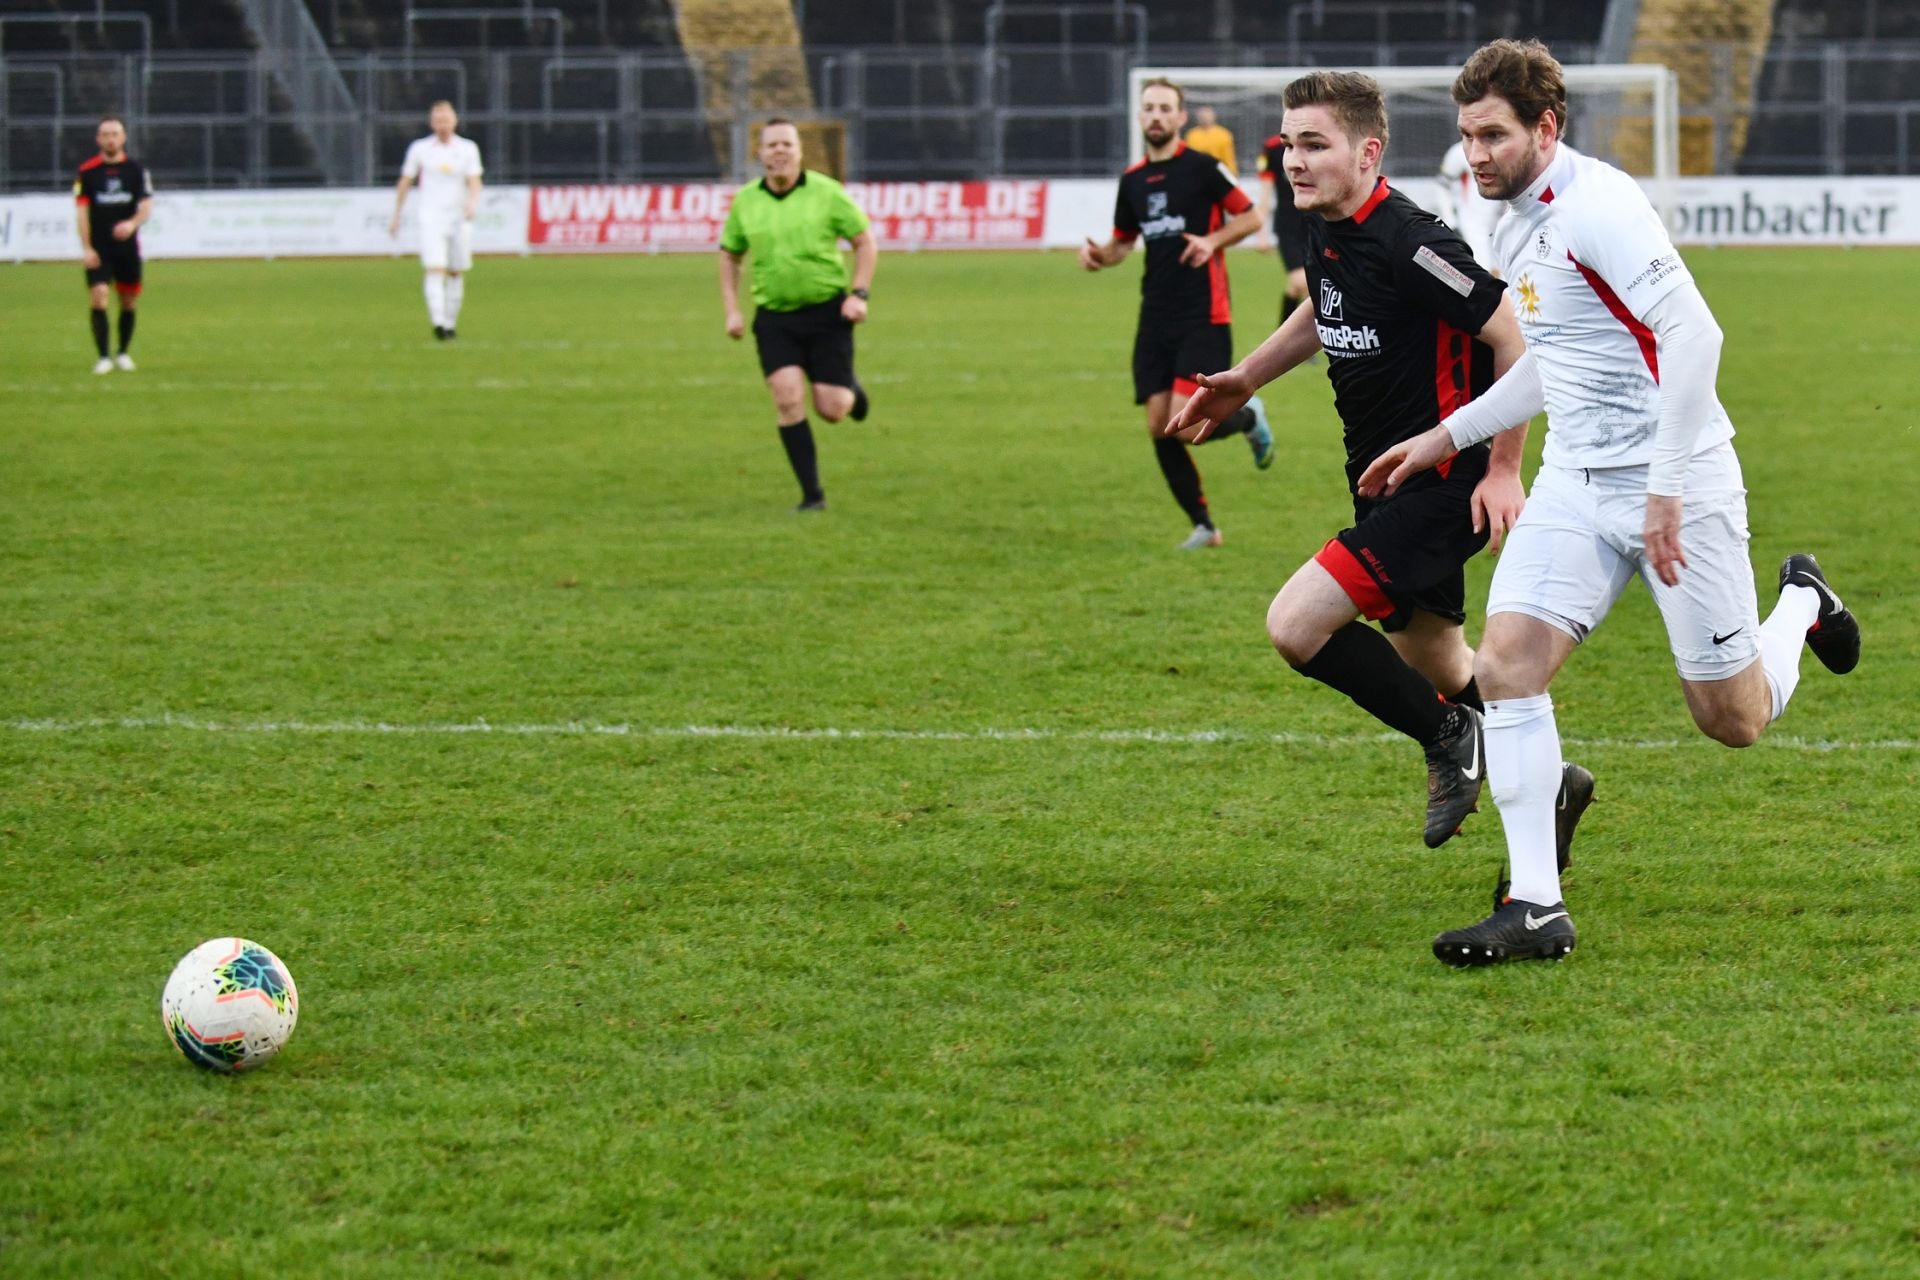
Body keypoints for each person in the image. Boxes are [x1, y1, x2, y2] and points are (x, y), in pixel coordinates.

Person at [1359, 39, 1862, 967]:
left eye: (1494, 136)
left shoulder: (1600, 206)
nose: (1475, 154)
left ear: (1547, 127)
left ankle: (1801, 603)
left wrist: (1665, 488)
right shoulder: (1506, 217)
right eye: (1468, 135)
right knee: (1506, 668)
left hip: (1681, 482)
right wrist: (1447, 437)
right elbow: (1555, 360)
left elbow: (1696, 336)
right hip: (1575, 482)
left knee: (1733, 719)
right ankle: (1536, 908)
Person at [1168, 70, 1592, 857]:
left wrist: (1503, 468)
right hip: (1382, 481)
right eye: (1290, 145)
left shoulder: (1414, 242)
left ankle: (1451, 739)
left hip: (1444, 486)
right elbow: (1325, 304)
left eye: (1315, 145)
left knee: (1296, 625)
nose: (1295, 161)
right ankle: (1551, 780)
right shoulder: (1327, 225)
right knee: (1441, 661)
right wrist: (1246, 378)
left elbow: (1514, 337)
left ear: (1368, 153)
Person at [1081, 78, 1273, 550]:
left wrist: (1211, 241)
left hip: (1203, 312)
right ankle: (1204, 527)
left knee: (1184, 426)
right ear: (1140, 116)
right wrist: (1100, 256)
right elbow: (1123, 242)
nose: (1157, 116)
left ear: (1181, 117)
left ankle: (1248, 418)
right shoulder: (1133, 180)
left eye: (1166, 108)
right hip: (1155, 315)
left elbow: (1251, 216)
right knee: (1157, 426)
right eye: (1149, 108)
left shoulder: (1204, 168)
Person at [718, 118, 877, 512]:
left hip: (827, 314)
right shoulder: (746, 201)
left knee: (832, 409)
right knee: (787, 399)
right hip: (775, 318)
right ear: (759, 154)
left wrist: (859, 294)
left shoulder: (827, 193)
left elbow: (864, 241)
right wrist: (732, 310)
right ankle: (812, 496)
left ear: (800, 151)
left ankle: (852, 392)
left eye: (787, 144)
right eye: (772, 145)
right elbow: (730, 255)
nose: (780, 151)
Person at [391, 101, 484, 340]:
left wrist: (472, 202)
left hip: (459, 218)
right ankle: (438, 322)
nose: (442, 124)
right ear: (432, 123)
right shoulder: (420, 149)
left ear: (455, 121)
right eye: (438, 120)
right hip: (431, 217)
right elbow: (406, 180)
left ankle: (450, 323)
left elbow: (474, 180)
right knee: (435, 268)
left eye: (446, 119)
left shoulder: (468, 148)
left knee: (455, 272)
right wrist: (396, 214)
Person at [74, 114, 153, 374]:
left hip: (127, 249)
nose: (111, 139)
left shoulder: (137, 171)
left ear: (124, 137)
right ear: (98, 139)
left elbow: (146, 207)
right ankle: (103, 357)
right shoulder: (87, 172)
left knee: (128, 301)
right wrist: (87, 248)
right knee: (99, 297)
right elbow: (81, 212)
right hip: (100, 248)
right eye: (106, 134)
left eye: (115, 134)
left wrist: (131, 224)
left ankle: (123, 353)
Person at [1255, 131, 1310, 327]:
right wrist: (1261, 234)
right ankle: (1304, 337)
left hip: (1316, 224)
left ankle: (1284, 335)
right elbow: (1265, 194)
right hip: (1288, 227)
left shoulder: (1317, 141)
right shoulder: (1272, 149)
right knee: (1302, 282)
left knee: (1296, 288)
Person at [1433, 140, 1503, 272]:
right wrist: (1451, 222)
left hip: (1500, 222)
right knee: (1480, 269)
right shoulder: (1459, 152)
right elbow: (1442, 187)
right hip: (1470, 222)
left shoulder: (1506, 148)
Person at [1184, 105, 1239, 174]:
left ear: (1213, 117)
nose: (1204, 119)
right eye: (1202, 116)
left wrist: (1232, 173)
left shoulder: (1224, 134)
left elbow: (1229, 157)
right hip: (1196, 172)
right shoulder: (1192, 135)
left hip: (1217, 172)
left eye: (1207, 116)